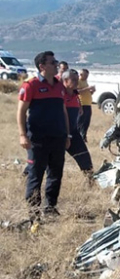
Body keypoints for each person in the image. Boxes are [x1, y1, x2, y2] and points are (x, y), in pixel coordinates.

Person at [18, 51, 70, 218]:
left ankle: (50, 208)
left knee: (56, 174)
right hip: (37, 140)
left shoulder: (59, 85)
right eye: (52, 62)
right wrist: (22, 135)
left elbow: (64, 111)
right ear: (42, 66)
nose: (56, 64)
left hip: (58, 138)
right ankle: (33, 213)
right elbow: (21, 111)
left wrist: (67, 135)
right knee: (35, 175)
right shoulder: (30, 85)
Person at [61, 69, 94, 179]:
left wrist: (80, 107)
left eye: (77, 79)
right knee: (44, 160)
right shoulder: (59, 95)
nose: (76, 82)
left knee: (84, 157)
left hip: (73, 133)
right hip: (59, 133)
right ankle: (27, 174)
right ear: (65, 81)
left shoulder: (75, 95)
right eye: (73, 80)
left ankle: (90, 180)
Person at [77, 68, 95, 143]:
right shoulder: (78, 81)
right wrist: (88, 88)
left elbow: (86, 92)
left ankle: (84, 136)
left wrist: (92, 91)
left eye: (87, 76)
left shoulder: (85, 82)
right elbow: (77, 91)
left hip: (88, 104)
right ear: (81, 74)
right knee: (80, 122)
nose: (86, 77)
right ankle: (78, 137)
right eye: (85, 75)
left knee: (86, 122)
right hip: (82, 104)